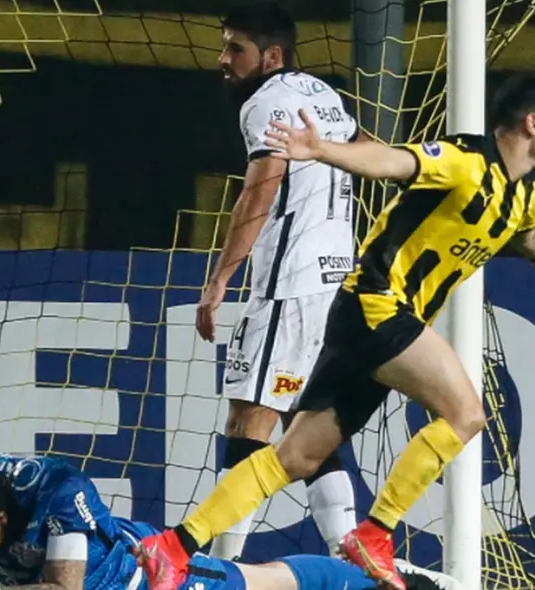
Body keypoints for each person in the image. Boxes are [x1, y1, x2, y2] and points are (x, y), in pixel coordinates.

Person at [140, 72, 535, 590]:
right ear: (533, 122)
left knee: (295, 458)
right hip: (375, 304)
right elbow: (394, 161)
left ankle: (173, 545)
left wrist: (534, 249)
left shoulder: (522, 198)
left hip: (370, 322)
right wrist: (322, 150)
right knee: (466, 413)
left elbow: (511, 231)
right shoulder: (464, 161)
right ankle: (375, 533)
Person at [194, 1, 361, 561]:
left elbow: (262, 185)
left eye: (234, 49)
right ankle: (350, 555)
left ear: (271, 55)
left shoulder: (266, 102)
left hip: (289, 286)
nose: (223, 60)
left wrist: (220, 279)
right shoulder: (323, 95)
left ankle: (221, 567)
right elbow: (367, 153)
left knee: (249, 418)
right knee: (304, 424)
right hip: (335, 282)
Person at [0, 452, 459, 590]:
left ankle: (378, 576)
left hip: (132, 578)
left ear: (1, 517)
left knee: (258, 581)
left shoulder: (60, 492)